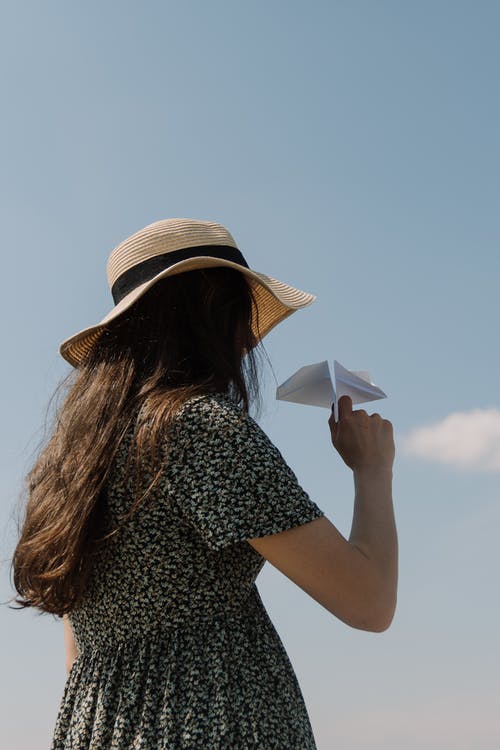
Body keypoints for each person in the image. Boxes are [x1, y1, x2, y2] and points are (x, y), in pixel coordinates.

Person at [11, 218, 397, 749]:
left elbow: (77, 641)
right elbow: (370, 603)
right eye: (241, 314)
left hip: (96, 727)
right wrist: (372, 471)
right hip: (215, 723)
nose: (247, 341)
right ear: (210, 312)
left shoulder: (72, 460)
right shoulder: (198, 427)